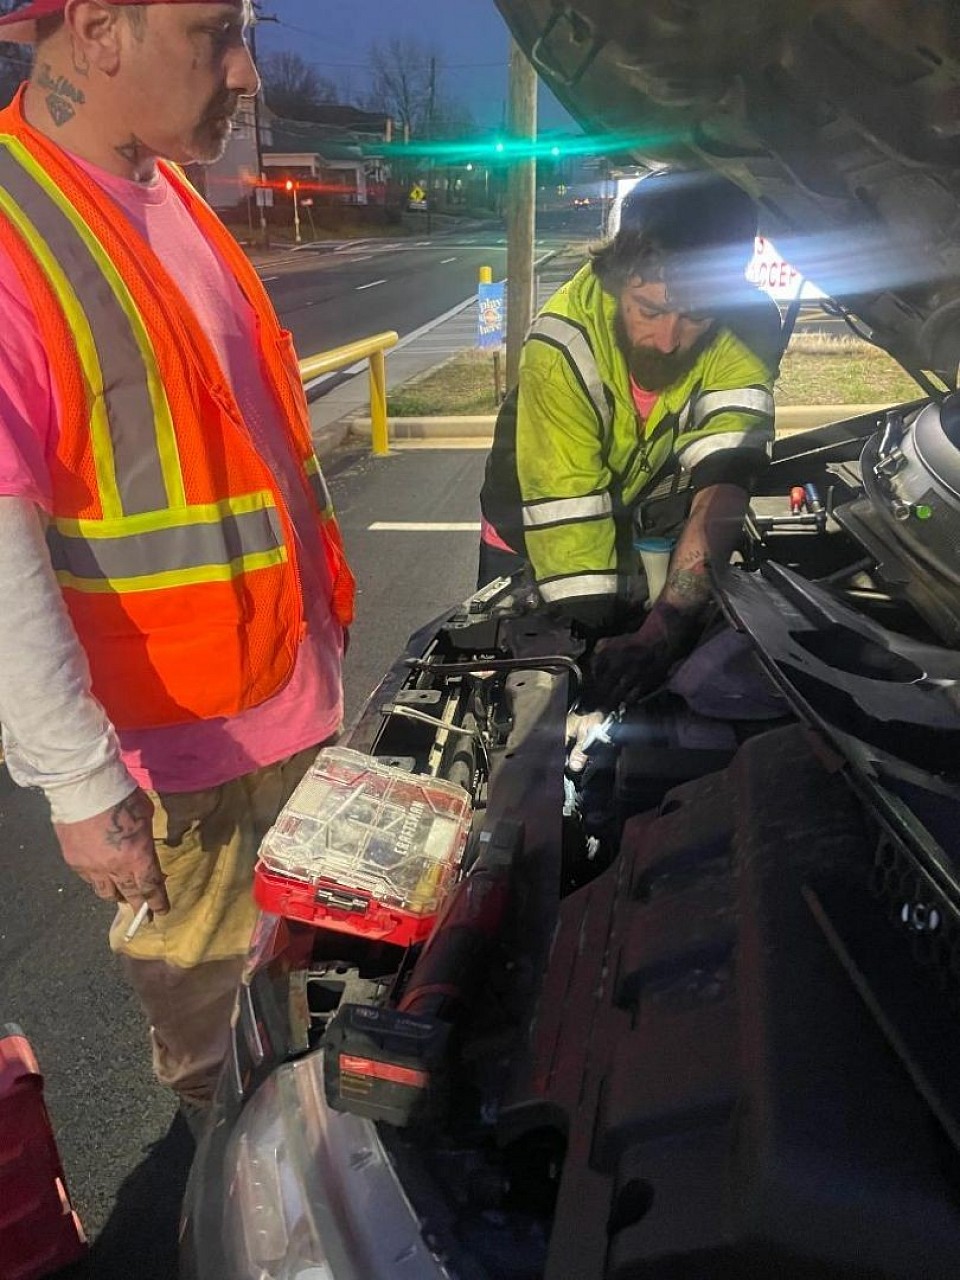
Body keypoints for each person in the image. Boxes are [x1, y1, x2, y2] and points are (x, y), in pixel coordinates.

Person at [0, 0, 354, 1112]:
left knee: (324, 1021)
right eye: (216, 33)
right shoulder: (16, 232)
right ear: (100, 29)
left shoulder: (163, 188)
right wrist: (80, 784)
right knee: (228, 1070)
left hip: (285, 708)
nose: (247, 72)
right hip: (182, 771)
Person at [479, 171, 782, 709]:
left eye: (696, 315)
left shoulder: (745, 326)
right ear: (618, 276)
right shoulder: (561, 344)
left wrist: (662, 629)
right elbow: (573, 546)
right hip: (531, 530)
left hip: (636, 526)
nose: (667, 341)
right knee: (535, 695)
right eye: (650, 310)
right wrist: (593, 659)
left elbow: (726, 478)